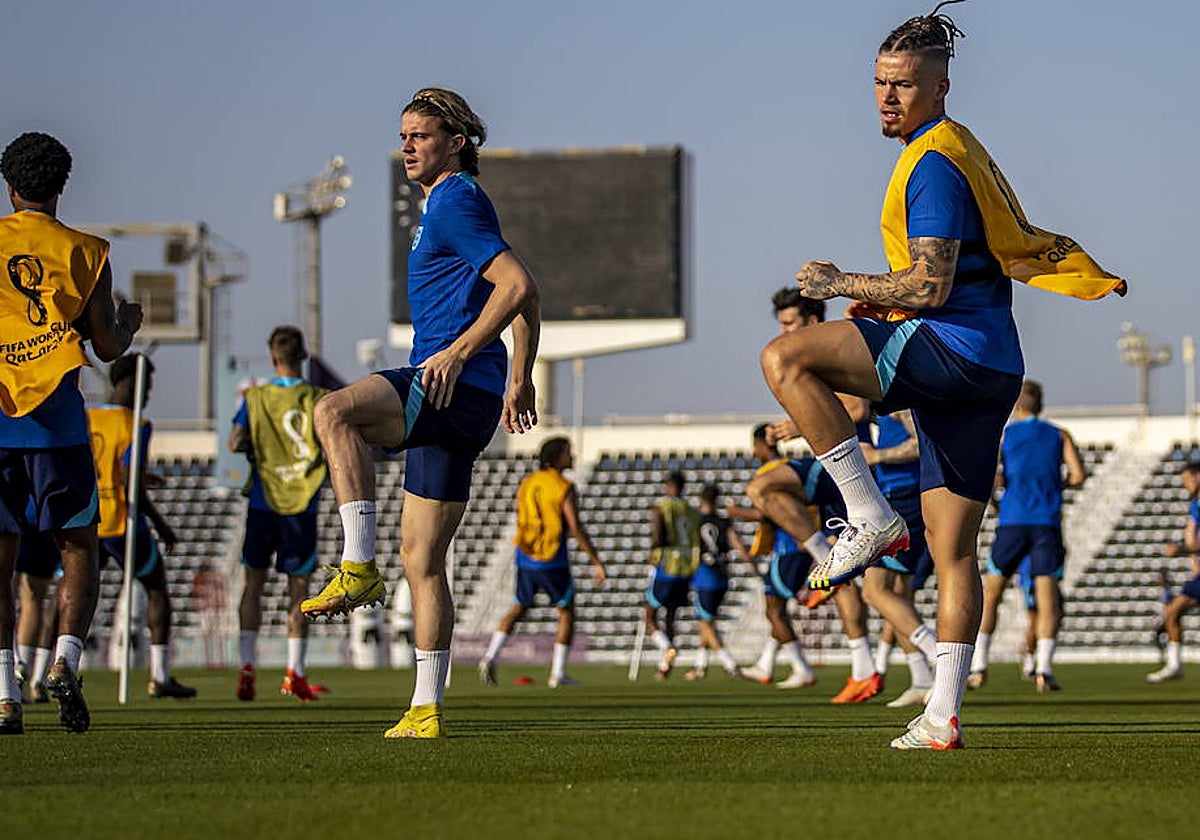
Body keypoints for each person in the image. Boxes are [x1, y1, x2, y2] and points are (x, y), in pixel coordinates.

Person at [757, 7, 1125, 749]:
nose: (888, 98)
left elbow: (927, 287)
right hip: (991, 366)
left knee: (785, 359)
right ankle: (944, 715)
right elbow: (938, 279)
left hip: (953, 348)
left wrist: (838, 280)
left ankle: (866, 515)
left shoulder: (931, 162)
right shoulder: (964, 150)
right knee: (954, 551)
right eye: (879, 83)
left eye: (904, 86)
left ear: (941, 87)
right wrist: (881, 293)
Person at [301, 88, 541, 739]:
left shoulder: (456, 199)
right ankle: (425, 708)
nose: (407, 146)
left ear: (456, 141)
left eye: (420, 136)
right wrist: (516, 377)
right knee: (423, 561)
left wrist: (462, 352)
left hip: (444, 387)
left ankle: (355, 566)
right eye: (403, 135)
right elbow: (527, 298)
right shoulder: (450, 203)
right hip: (467, 404)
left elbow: (517, 285)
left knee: (332, 414)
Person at [0, 131, 142, 735]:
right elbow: (107, 347)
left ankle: (5, 693)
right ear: (60, 187)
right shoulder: (89, 251)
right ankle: (64, 661)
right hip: (57, 426)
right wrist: (129, 323)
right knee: (78, 546)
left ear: (10, 187)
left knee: (1, 561)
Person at [229, 326, 329, 702]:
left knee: (252, 584)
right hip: (301, 501)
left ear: (273, 357)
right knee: (298, 587)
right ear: (302, 357)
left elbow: (235, 441)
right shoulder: (316, 398)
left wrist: (257, 447)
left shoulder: (254, 397)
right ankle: (295, 674)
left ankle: (247, 666)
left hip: (262, 500)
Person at [89, 353, 195, 698]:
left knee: (73, 593)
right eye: (146, 386)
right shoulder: (136, 425)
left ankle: (41, 672)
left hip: (88, 521)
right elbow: (130, 483)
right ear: (130, 383)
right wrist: (162, 525)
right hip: (122, 522)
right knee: (157, 588)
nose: (148, 394)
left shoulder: (85, 419)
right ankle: (160, 676)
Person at [969, 380, 1084, 692]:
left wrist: (999, 501)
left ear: (1017, 405)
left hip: (1013, 520)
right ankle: (1044, 669)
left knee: (992, 593)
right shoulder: (1059, 435)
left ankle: (978, 666)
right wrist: (1053, 487)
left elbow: (992, 475)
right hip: (1046, 522)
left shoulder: (1005, 434)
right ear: (1041, 405)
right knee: (1047, 598)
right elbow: (1078, 475)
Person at [478, 436, 606, 687]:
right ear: (557, 456)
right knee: (566, 610)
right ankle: (558, 673)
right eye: (568, 452)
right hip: (552, 557)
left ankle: (489, 656)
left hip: (526, 555)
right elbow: (575, 526)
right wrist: (596, 560)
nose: (573, 457)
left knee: (519, 607)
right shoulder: (563, 486)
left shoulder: (529, 482)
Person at [731, 425, 821, 691]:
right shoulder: (791, 467)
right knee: (777, 611)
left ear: (761, 446)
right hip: (795, 546)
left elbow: (770, 512)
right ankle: (765, 664)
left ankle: (801, 668)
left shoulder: (772, 473)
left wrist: (738, 512)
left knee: (774, 610)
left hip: (789, 548)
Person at [859, 409, 939, 708]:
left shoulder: (901, 403)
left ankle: (936, 654)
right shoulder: (881, 407)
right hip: (897, 496)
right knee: (897, 596)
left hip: (903, 497)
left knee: (874, 591)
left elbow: (920, 443)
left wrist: (879, 457)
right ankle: (921, 679)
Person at [684, 483, 750, 681]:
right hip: (723, 576)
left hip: (704, 576)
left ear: (700, 499)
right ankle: (700, 666)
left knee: (705, 623)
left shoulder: (696, 521)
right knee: (706, 620)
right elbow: (738, 544)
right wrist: (752, 564)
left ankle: (730, 664)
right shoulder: (724, 521)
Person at [642, 471, 701, 680]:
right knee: (670, 617)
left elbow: (658, 535)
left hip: (666, 564)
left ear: (669, 486)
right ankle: (664, 667)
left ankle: (666, 647)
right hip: (685, 567)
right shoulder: (692, 511)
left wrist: (653, 554)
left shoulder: (663, 507)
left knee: (649, 614)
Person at [1146, 461, 1200, 683]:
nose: (1185, 485)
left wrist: (1183, 549)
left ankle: (1175, 665)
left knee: (1172, 612)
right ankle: (1174, 664)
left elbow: (1193, 541)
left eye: (1187, 479)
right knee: (1172, 613)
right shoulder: (1195, 505)